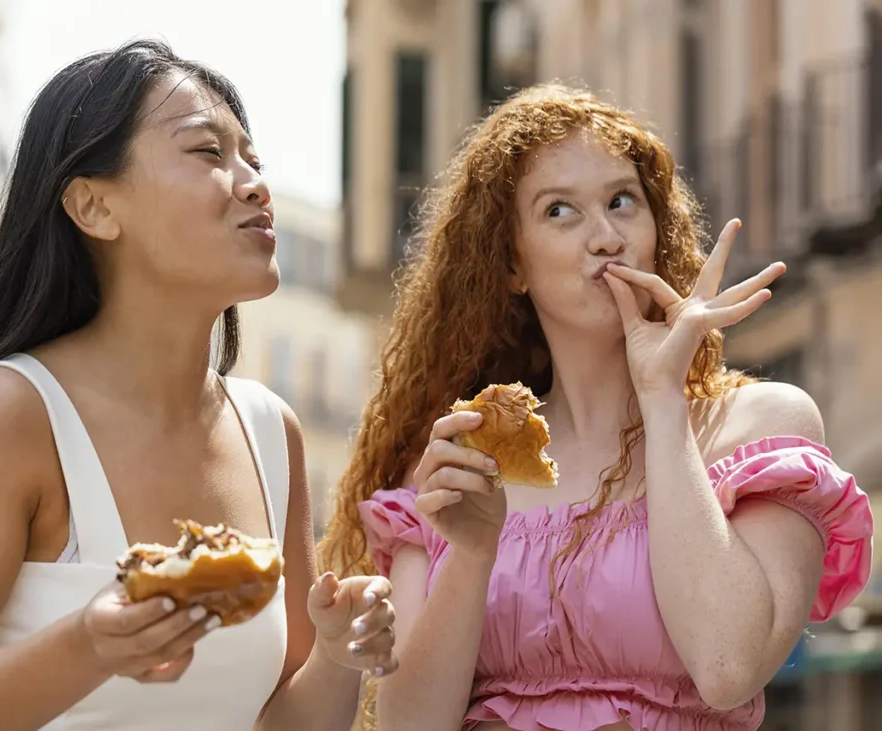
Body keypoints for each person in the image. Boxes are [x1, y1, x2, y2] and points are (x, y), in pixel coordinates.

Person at [0, 39, 397, 731]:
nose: (254, 182)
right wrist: (87, 645)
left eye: (253, 160)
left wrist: (337, 651)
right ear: (93, 207)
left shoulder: (270, 432)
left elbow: (282, 721)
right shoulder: (9, 415)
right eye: (208, 153)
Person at [319, 84, 873, 731]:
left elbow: (728, 665)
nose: (606, 237)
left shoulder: (761, 426)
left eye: (621, 201)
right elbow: (409, 725)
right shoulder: (461, 461)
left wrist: (663, 398)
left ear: (655, 226)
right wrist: (472, 552)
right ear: (511, 265)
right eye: (560, 211)